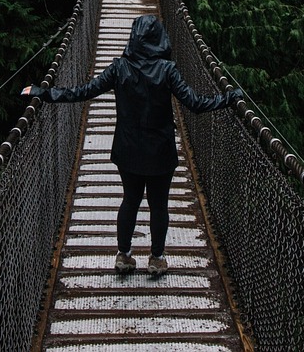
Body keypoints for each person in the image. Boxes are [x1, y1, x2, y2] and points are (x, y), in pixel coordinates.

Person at [21, 14, 244, 277]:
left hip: (128, 150)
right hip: (160, 151)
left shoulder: (120, 67)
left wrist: (43, 93)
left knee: (130, 200)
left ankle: (124, 255)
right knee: (159, 204)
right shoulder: (167, 70)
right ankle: (157, 258)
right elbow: (195, 104)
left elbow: (84, 91)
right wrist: (229, 98)